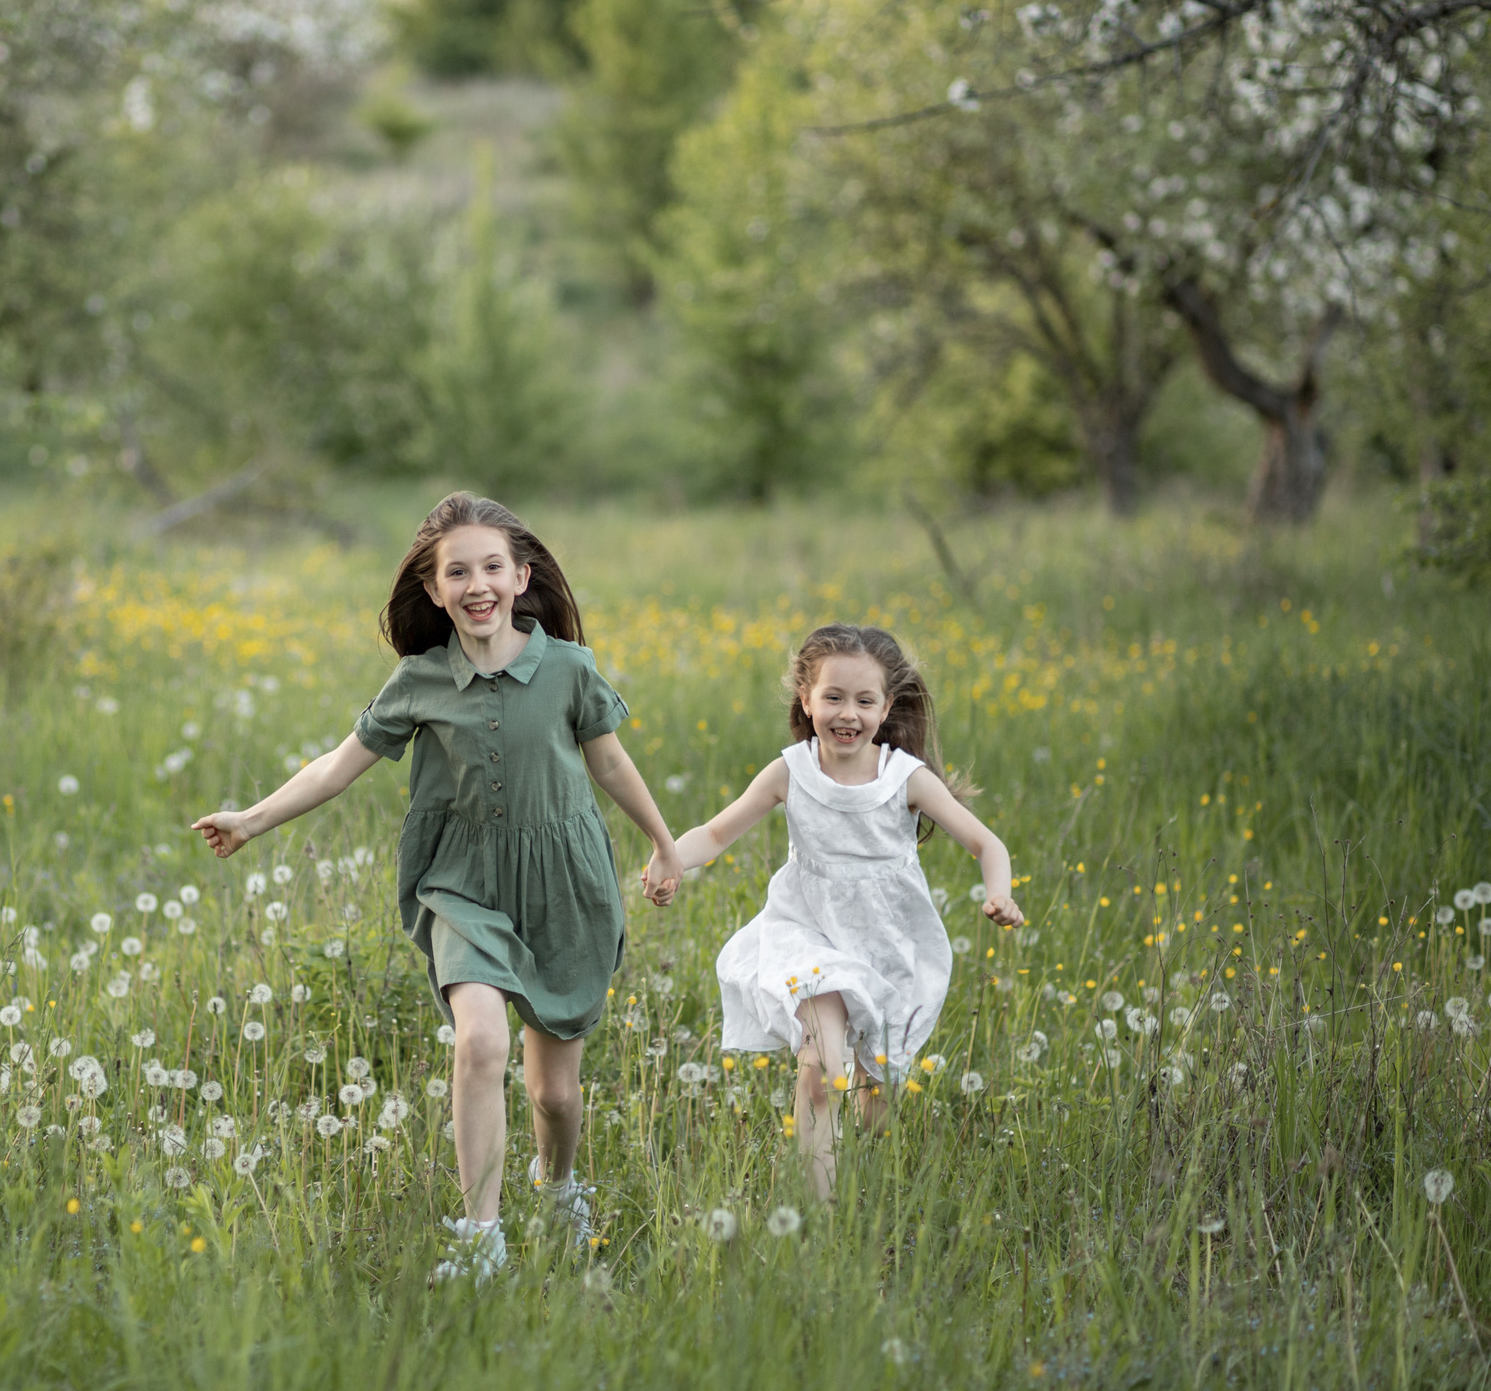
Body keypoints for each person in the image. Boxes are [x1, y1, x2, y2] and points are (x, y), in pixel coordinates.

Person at [192, 492, 681, 1282]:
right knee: (481, 1041)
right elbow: (335, 767)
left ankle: (558, 1186)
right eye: (458, 571)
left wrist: (663, 844)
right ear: (433, 589)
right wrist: (252, 818)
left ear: (522, 577)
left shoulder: (567, 670)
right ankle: (481, 1240)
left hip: (564, 886)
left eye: (492, 566)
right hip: (460, 884)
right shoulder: (418, 680)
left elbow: (611, 763)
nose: (477, 583)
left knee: (554, 1095)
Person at [674, 623, 1022, 1202]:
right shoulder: (791, 772)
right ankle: (820, 1216)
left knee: (875, 1100)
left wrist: (1000, 892)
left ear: (886, 708)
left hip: (889, 943)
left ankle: (874, 1192)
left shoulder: (905, 779)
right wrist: (669, 861)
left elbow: (988, 845)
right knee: (820, 1068)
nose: (848, 714)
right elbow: (713, 833)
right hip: (806, 932)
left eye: (864, 701)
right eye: (833, 697)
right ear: (805, 699)